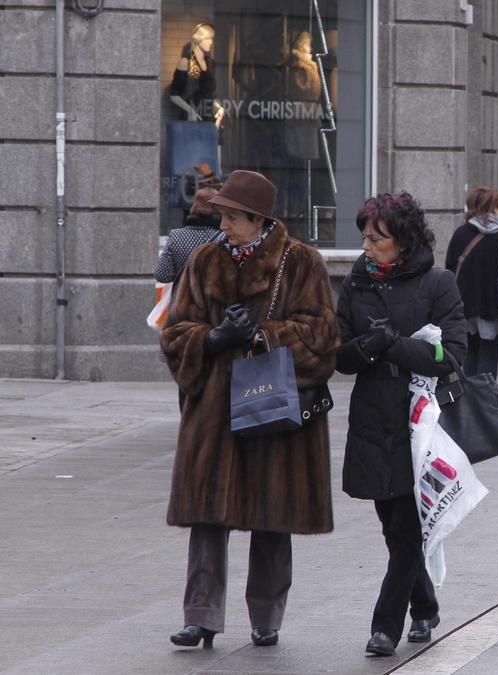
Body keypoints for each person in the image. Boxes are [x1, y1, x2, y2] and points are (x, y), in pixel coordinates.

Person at [160, 170, 338, 650]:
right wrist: (214, 338)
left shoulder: (301, 262)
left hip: (271, 407)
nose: (225, 225)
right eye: (221, 215)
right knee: (206, 518)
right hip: (214, 409)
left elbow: (322, 337)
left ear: (258, 219)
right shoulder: (203, 260)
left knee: (271, 517)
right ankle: (200, 616)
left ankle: (266, 617)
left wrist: (262, 335)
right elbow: (175, 332)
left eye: (233, 217)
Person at [337, 192, 468, 656]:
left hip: (422, 423)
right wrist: (368, 347)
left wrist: (392, 346)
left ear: (404, 241)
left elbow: (451, 355)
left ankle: (384, 627)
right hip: (373, 416)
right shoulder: (356, 284)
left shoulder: (437, 283)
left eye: (378, 238)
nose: (367, 246)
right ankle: (426, 606)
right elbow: (341, 356)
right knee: (393, 525)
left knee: (408, 530)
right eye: (365, 238)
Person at [445, 187, 498, 377]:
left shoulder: (461, 233)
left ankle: (471, 401)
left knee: (470, 355)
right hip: (495, 308)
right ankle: (484, 402)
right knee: (490, 356)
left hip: (465, 306)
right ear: (494, 208)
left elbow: (450, 268)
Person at [155, 187, 221, 294]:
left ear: (194, 206)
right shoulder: (225, 238)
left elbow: (162, 276)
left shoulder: (176, 236)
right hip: (213, 305)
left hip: (182, 304)